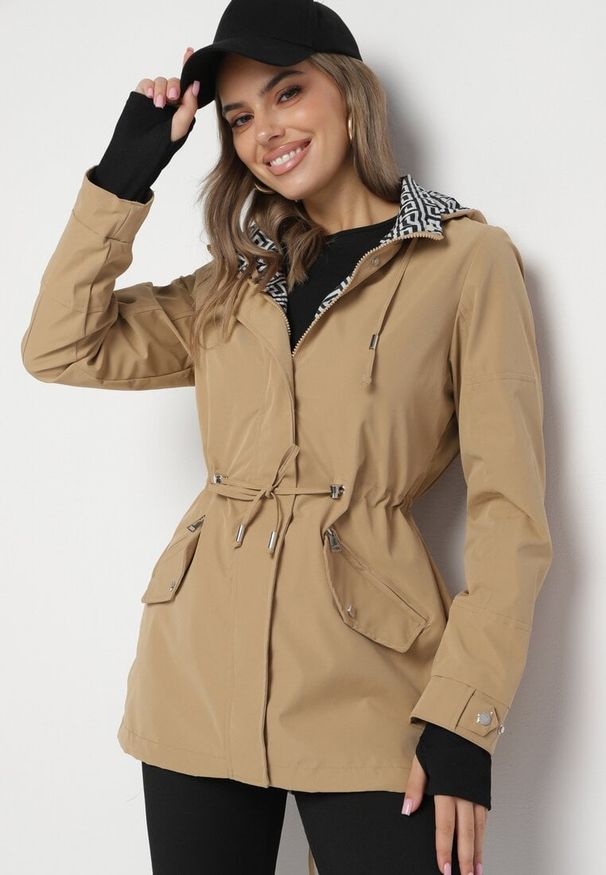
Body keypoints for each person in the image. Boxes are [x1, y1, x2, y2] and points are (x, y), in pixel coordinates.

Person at [20, 1, 553, 873]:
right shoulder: (232, 281)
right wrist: (124, 177)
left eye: (287, 92)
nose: (264, 131)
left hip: (371, 685)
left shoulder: (465, 260)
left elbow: (510, 514)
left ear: (350, 92)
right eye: (238, 118)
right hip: (195, 680)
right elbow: (58, 347)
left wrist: (467, 715)